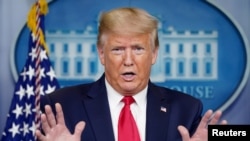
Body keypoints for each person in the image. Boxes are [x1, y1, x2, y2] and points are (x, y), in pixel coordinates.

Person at [35, 7, 227, 141]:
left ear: (154, 54)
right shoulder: (62, 106)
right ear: (102, 54)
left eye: (138, 49)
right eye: (118, 50)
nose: (128, 60)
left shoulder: (186, 109)